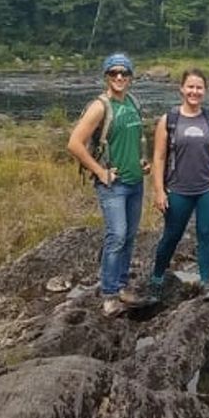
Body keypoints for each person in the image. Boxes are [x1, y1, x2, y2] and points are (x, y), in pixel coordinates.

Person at [66, 53, 149, 316]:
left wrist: (142, 162)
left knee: (130, 237)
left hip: (135, 182)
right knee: (117, 236)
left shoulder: (134, 103)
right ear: (106, 77)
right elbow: (74, 143)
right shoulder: (100, 106)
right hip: (114, 185)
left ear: (131, 77)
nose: (120, 77)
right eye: (114, 73)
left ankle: (123, 286)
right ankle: (110, 294)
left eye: (124, 73)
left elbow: (134, 140)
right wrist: (100, 172)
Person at [148, 68, 209, 300]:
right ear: (182, 89)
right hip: (178, 189)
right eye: (190, 87)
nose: (194, 92)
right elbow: (159, 157)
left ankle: (205, 283)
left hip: (208, 187)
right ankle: (156, 278)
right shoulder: (170, 120)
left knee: (206, 233)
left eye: (199, 87)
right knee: (172, 235)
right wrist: (159, 190)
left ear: (205, 91)